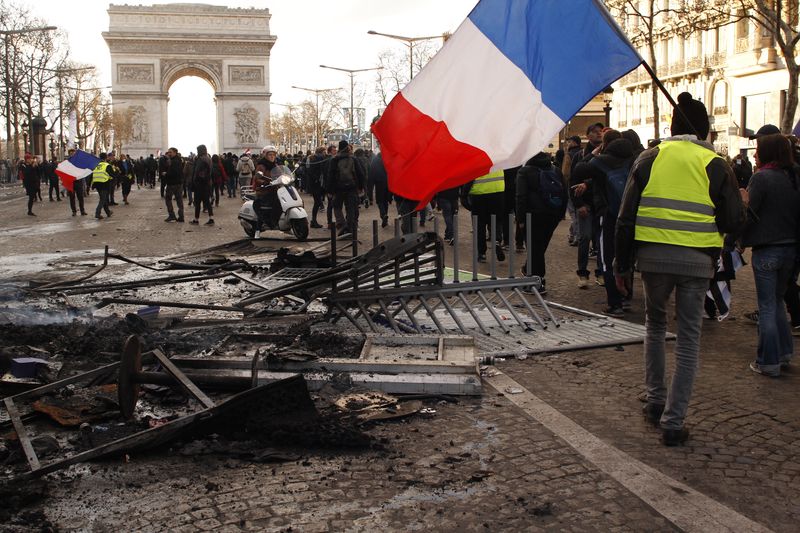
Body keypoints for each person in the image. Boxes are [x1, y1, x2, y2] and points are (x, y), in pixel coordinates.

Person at [615, 92, 746, 446]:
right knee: (689, 338)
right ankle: (674, 421)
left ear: (672, 127)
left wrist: (621, 264)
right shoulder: (716, 163)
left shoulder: (649, 157)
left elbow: (625, 218)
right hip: (697, 261)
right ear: (705, 130)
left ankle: (655, 400)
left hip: (653, 259)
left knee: (655, 327)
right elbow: (734, 219)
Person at [739, 133, 800, 377]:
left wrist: (742, 205)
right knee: (776, 302)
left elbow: (749, 214)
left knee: (767, 305)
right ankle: (783, 353)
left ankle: (768, 361)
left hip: (768, 249)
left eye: (757, 150)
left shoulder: (762, 178)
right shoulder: (794, 176)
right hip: (791, 249)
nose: (754, 154)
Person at [515, 152, 567, 294]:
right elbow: (564, 192)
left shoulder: (524, 171)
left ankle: (537, 281)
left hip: (532, 215)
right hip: (552, 215)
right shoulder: (555, 169)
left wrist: (520, 219)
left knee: (534, 248)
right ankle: (528, 270)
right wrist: (560, 214)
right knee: (540, 247)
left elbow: (521, 196)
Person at [462, 170, 506, 263]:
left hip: (479, 195)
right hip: (497, 194)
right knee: (496, 221)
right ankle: (497, 241)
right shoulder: (499, 161)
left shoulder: (479, 160)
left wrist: (464, 196)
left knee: (480, 226)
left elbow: (470, 178)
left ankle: (482, 253)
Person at [325, 140, 365, 236]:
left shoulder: (334, 160)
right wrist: (361, 187)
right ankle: (350, 228)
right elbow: (360, 174)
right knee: (350, 207)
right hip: (351, 187)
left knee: (337, 206)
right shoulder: (353, 159)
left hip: (338, 187)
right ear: (347, 148)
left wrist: (329, 190)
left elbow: (330, 176)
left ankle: (342, 224)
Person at [190, 144, 214, 225]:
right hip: (207, 183)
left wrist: (195, 181)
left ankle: (196, 219)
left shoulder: (200, 160)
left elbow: (197, 172)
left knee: (197, 202)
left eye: (198, 150)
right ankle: (211, 218)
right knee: (207, 202)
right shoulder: (209, 159)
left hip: (200, 184)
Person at [306, 146, 327, 229]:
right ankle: (313, 221)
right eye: (324, 152)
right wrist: (316, 179)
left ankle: (313, 221)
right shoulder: (319, 158)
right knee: (317, 202)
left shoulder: (312, 158)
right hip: (316, 183)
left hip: (313, 183)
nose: (325, 153)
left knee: (317, 202)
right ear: (321, 152)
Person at [162, 147, 185, 222]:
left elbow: (174, 172)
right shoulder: (179, 160)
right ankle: (181, 216)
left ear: (175, 152)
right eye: (168, 152)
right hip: (179, 183)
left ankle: (172, 215)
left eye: (170, 152)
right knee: (179, 200)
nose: (169, 153)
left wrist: (166, 173)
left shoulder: (174, 161)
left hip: (172, 183)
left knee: (168, 199)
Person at [91, 152, 117, 219]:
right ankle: (97, 213)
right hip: (105, 183)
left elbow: (92, 174)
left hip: (97, 184)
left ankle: (108, 212)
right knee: (103, 199)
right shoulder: (107, 165)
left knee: (104, 198)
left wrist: (91, 185)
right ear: (106, 158)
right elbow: (113, 175)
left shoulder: (97, 165)